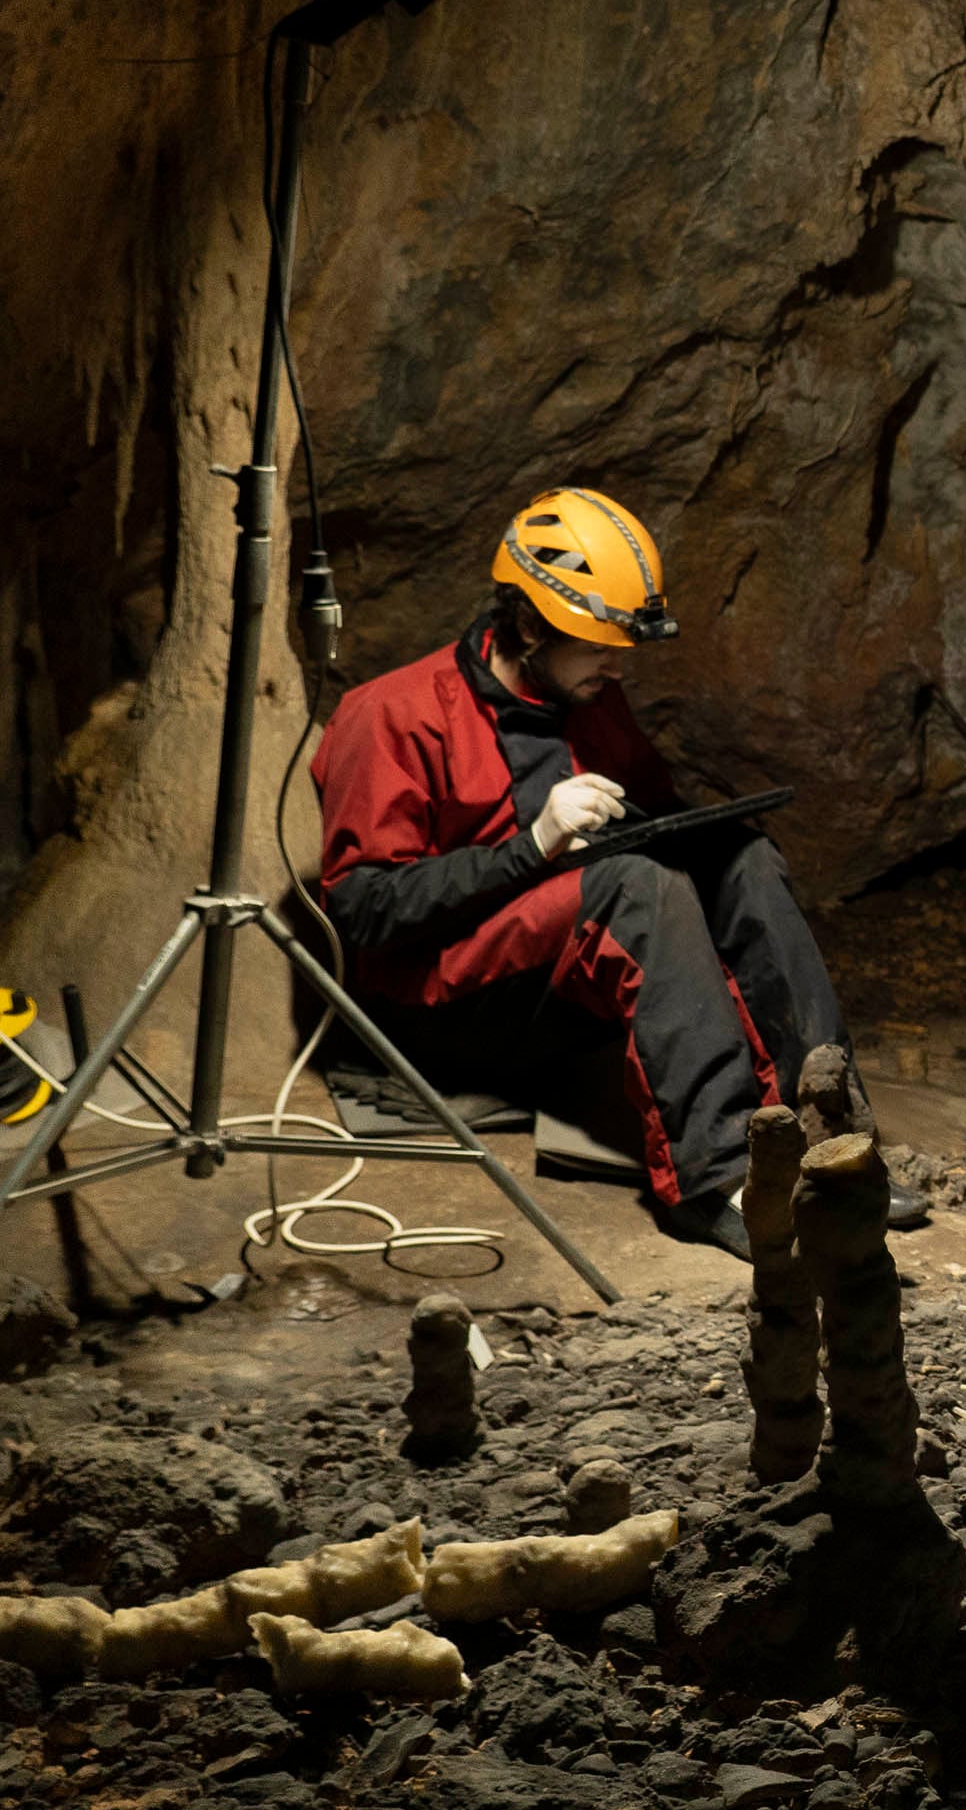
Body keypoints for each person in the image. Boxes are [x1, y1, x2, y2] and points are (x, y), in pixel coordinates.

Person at [307, 487, 903, 1256]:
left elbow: (652, 816)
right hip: (444, 1013)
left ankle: (830, 1140)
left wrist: (706, 838)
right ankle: (718, 1178)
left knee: (742, 860)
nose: (616, 668)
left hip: (564, 986)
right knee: (638, 889)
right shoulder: (392, 714)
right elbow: (366, 912)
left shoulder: (589, 697)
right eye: (597, 647)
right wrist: (534, 843)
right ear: (527, 624)